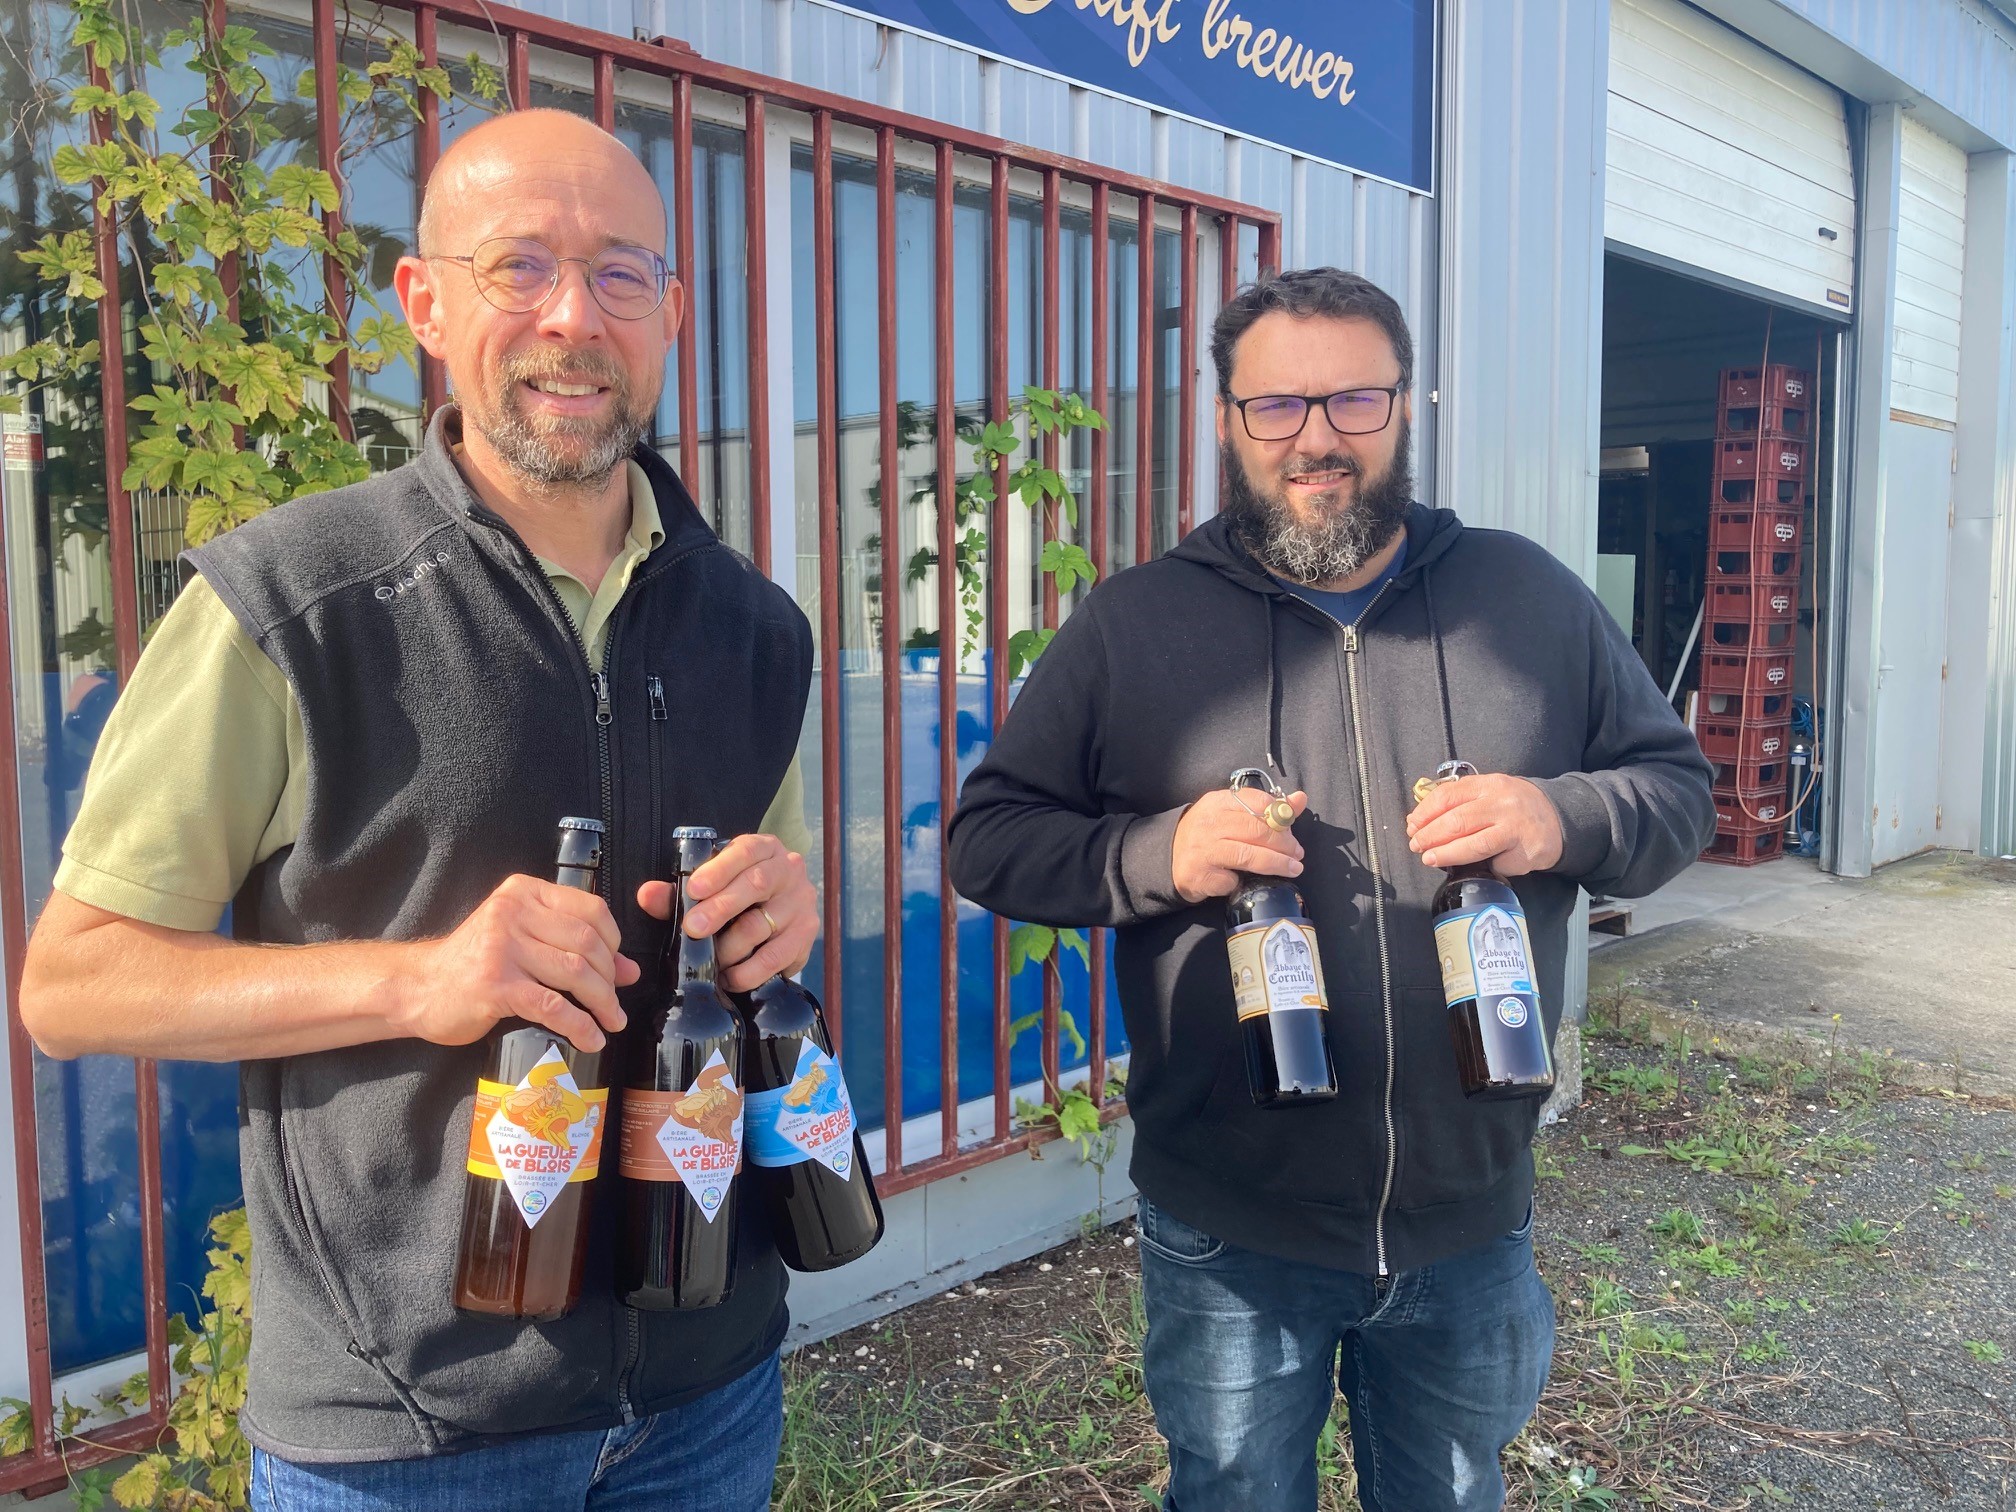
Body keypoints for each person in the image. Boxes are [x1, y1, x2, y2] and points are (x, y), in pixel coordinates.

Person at [21, 110, 818, 1511]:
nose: (574, 317)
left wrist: (782, 916)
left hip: (711, 1387)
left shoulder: (757, 628)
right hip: (406, 1428)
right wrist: (423, 977)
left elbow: (766, 926)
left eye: (622, 274)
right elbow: (76, 986)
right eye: (521, 265)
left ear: (674, 313)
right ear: (427, 303)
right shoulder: (290, 604)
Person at [947, 267, 1716, 1511]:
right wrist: (1159, 853)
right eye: (1280, 404)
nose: (1318, 436)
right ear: (1225, 417)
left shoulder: (1525, 598)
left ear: (1405, 407)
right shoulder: (1135, 626)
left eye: (1356, 399)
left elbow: (1676, 795)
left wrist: (1558, 815)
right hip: (1233, 1233)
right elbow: (989, 839)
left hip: (1472, 1217)